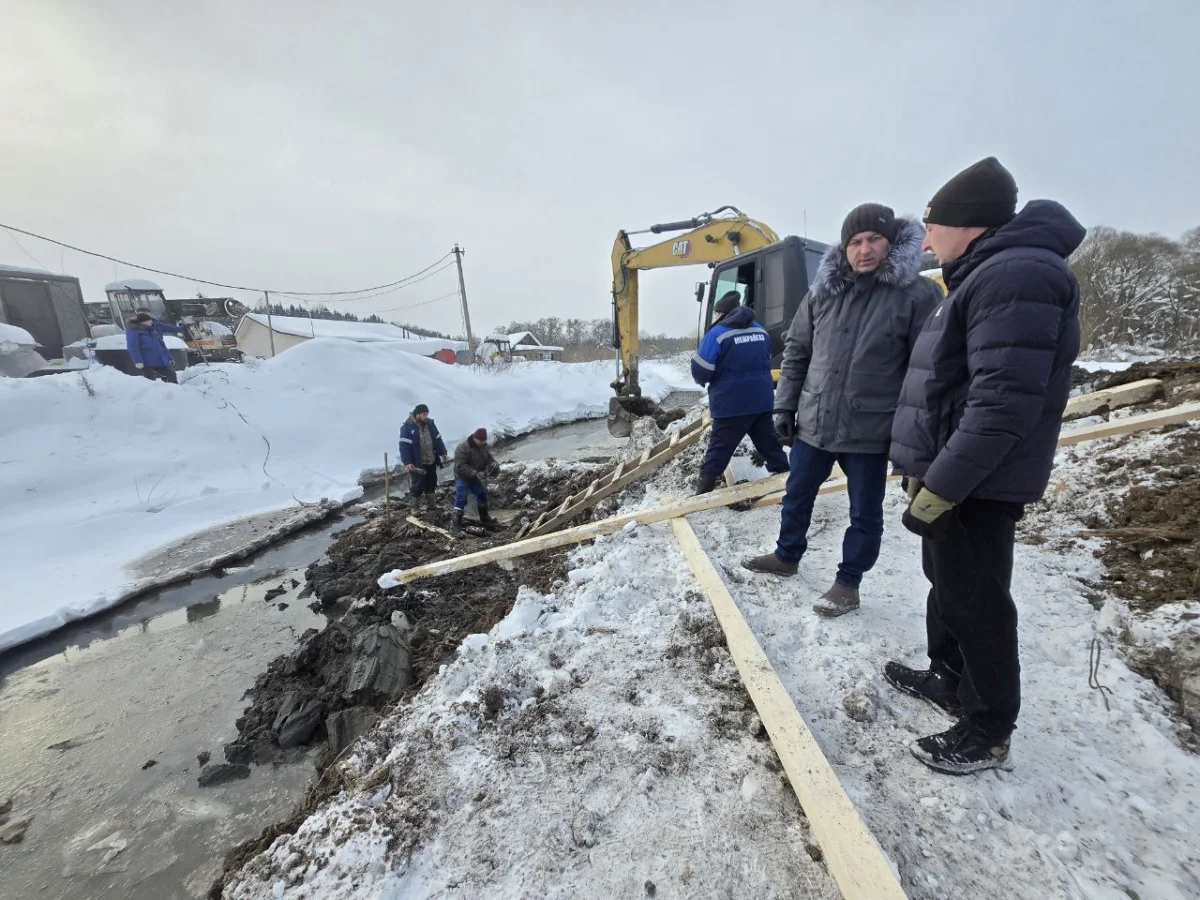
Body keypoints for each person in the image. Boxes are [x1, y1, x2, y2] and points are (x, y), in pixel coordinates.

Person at [886, 157, 1084, 774]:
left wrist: (943, 485)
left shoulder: (1016, 276)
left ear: (967, 223)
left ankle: (988, 729)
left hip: (977, 481)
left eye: (931, 227)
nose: (925, 243)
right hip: (957, 472)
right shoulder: (984, 275)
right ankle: (949, 678)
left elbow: (1001, 403)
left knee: (977, 600)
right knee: (947, 583)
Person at [742, 204, 942, 617]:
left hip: (871, 428)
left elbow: (924, 371)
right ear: (844, 247)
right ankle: (786, 555)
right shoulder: (822, 293)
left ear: (891, 243)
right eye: (855, 241)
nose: (864, 249)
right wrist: (785, 406)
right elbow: (797, 351)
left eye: (874, 240)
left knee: (864, 512)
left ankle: (848, 583)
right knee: (797, 494)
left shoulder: (917, 295)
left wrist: (914, 434)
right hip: (815, 421)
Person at [690, 291, 789, 494]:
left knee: (719, 450)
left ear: (722, 313)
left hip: (731, 404)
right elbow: (764, 359)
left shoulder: (717, 334)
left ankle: (702, 495)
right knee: (769, 445)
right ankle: (787, 481)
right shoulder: (760, 331)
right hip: (761, 400)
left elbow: (701, 370)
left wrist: (706, 379)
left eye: (717, 313)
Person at [398, 404, 448, 513]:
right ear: (417, 415)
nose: (426, 416)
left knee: (431, 482)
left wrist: (443, 451)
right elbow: (404, 446)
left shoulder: (430, 424)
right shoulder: (408, 427)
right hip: (418, 463)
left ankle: (432, 506)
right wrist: (407, 462)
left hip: (431, 460)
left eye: (427, 414)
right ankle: (415, 508)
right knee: (417, 485)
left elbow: (438, 438)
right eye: (424, 414)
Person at [452, 428, 501, 536]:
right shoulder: (462, 448)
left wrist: (494, 465)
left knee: (481, 494)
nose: (482, 443)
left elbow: (489, 459)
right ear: (475, 438)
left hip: (475, 478)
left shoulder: (484, 447)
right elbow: (460, 466)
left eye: (484, 441)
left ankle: (485, 518)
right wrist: (476, 473)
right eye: (480, 441)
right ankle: (455, 527)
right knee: (461, 499)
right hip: (462, 477)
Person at [125, 312, 182, 383]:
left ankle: (174, 389)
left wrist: (169, 358)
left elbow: (161, 345)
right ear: (143, 322)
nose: (151, 322)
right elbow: (133, 347)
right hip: (145, 362)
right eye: (149, 320)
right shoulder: (134, 332)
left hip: (159, 360)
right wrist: (138, 361)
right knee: (150, 381)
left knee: (171, 375)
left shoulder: (153, 330)